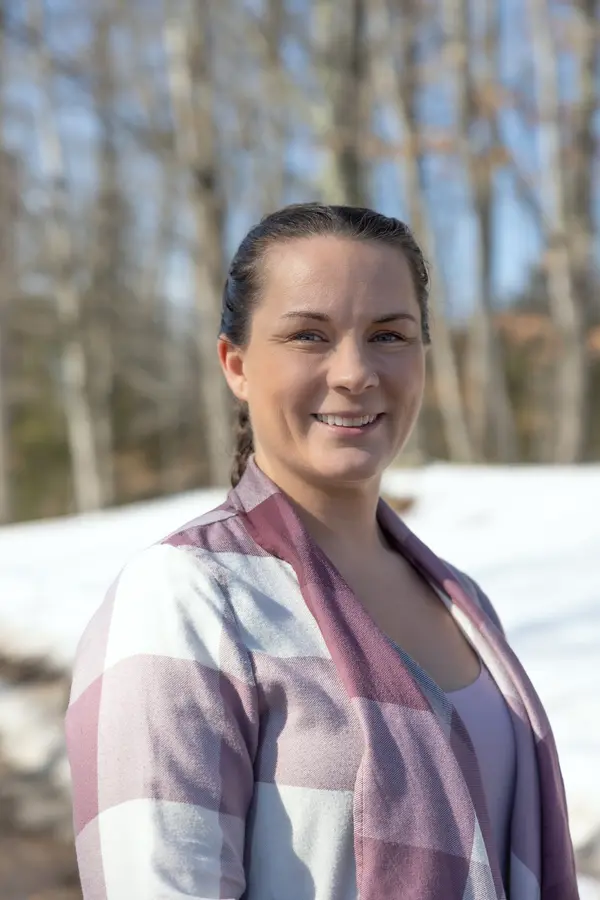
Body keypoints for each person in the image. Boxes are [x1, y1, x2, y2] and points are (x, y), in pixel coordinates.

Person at [65, 203, 578, 900]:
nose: (355, 372)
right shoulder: (189, 594)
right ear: (236, 364)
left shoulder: (462, 603)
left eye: (389, 334)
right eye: (309, 334)